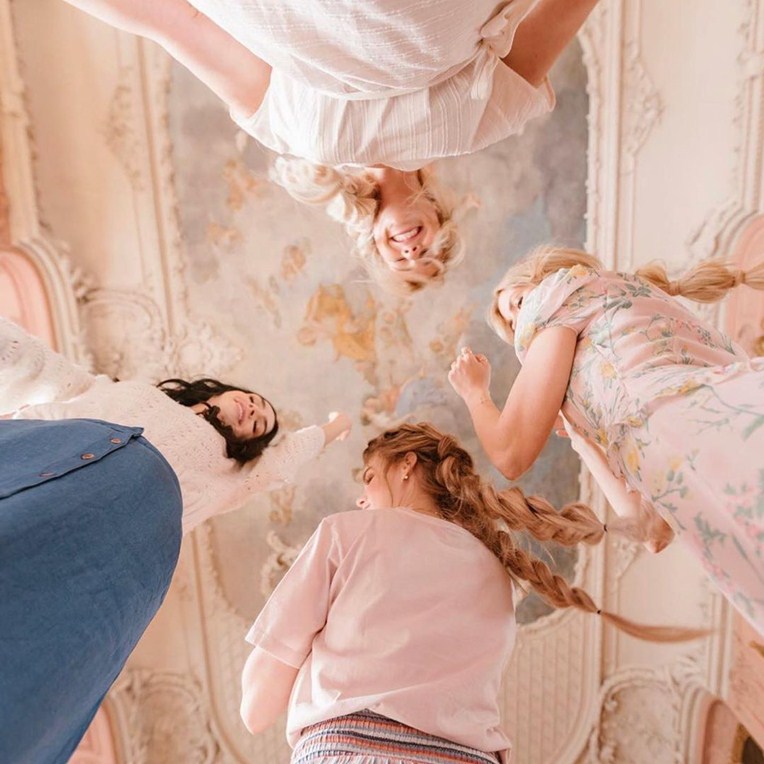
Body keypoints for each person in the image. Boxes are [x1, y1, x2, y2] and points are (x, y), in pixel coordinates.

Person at [239, 423, 705, 764]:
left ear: (406, 466)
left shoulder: (345, 532)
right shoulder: (499, 571)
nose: (362, 498)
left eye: (369, 477)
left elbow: (256, 708)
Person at [61, 0, 600, 292]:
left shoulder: (293, 137)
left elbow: (179, 23)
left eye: (402, 262)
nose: (415, 252)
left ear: (372, 243)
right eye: (434, 256)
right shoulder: (482, 125)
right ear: (441, 220)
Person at [0, 316, 351, 764]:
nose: (253, 409)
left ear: (249, 445)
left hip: (121, 541)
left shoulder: (231, 476)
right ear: (220, 391)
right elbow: (49, 372)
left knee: (51, 642)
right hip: (48, 459)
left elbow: (283, 461)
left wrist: (335, 427)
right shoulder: (134, 391)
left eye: (260, 423)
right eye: (252, 399)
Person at [447, 246, 764, 632]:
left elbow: (510, 454)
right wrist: (580, 436)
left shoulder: (556, 294)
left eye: (516, 304)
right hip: (703, 434)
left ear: (539, 279)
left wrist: (475, 393)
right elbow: (651, 531)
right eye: (513, 326)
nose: (520, 329)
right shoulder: (622, 306)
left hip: (692, 436)